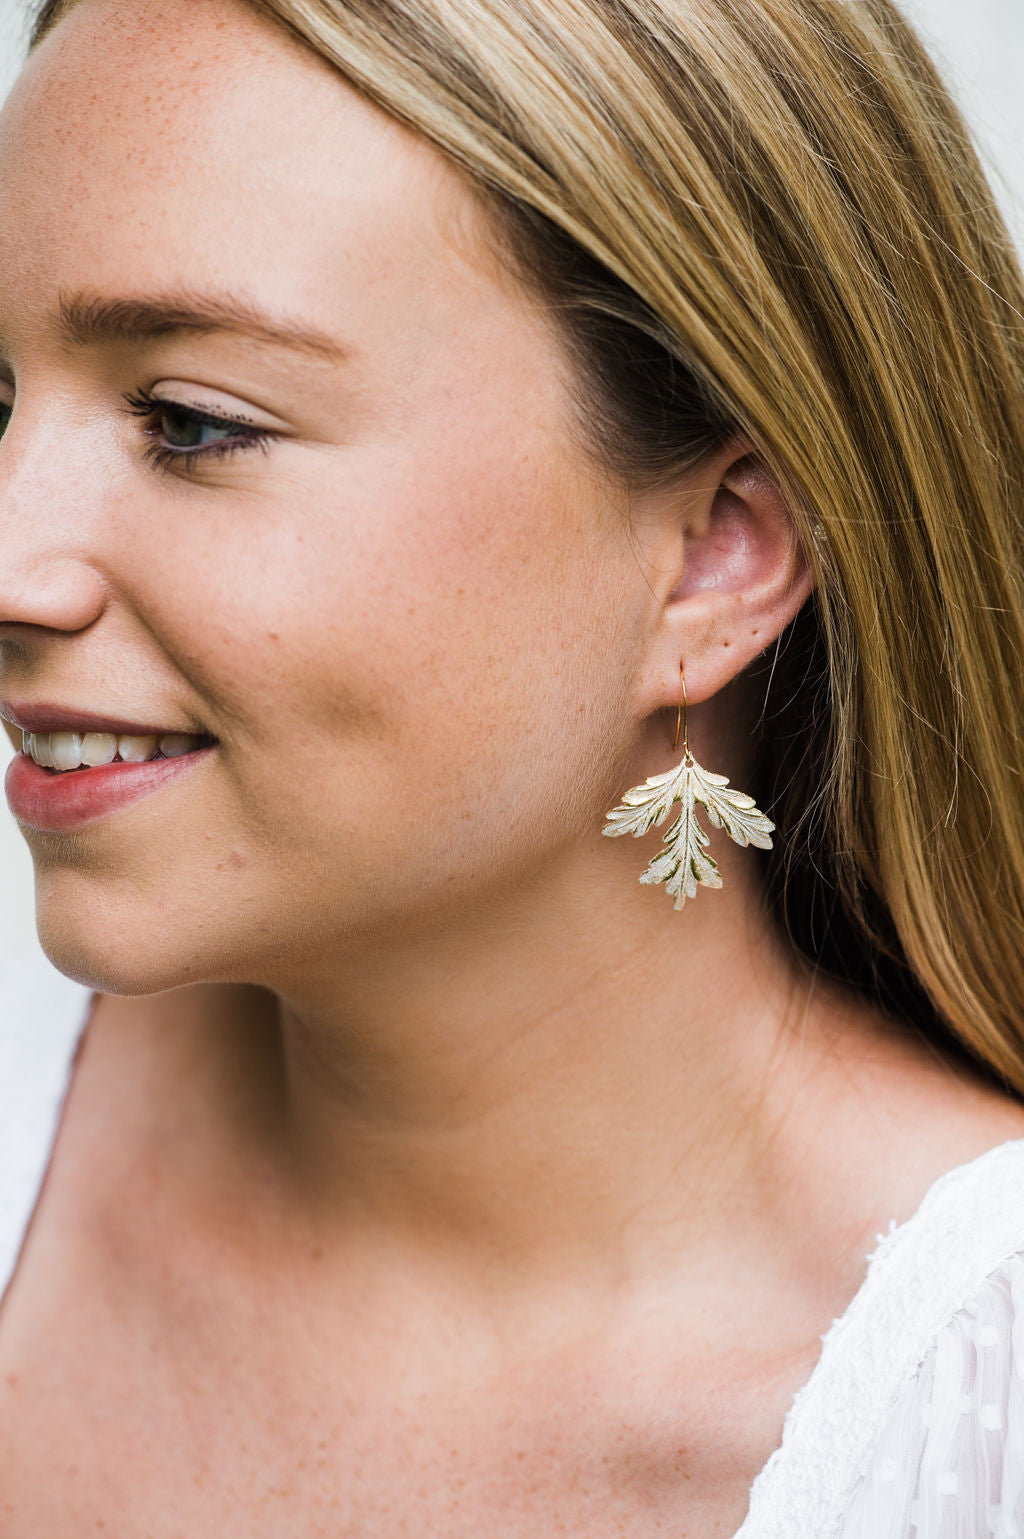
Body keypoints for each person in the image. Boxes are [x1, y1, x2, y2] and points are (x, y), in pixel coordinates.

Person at [1, 0, 1024, 1530]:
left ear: (715, 557)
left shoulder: (969, 1422)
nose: (17, 558)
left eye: (193, 423)